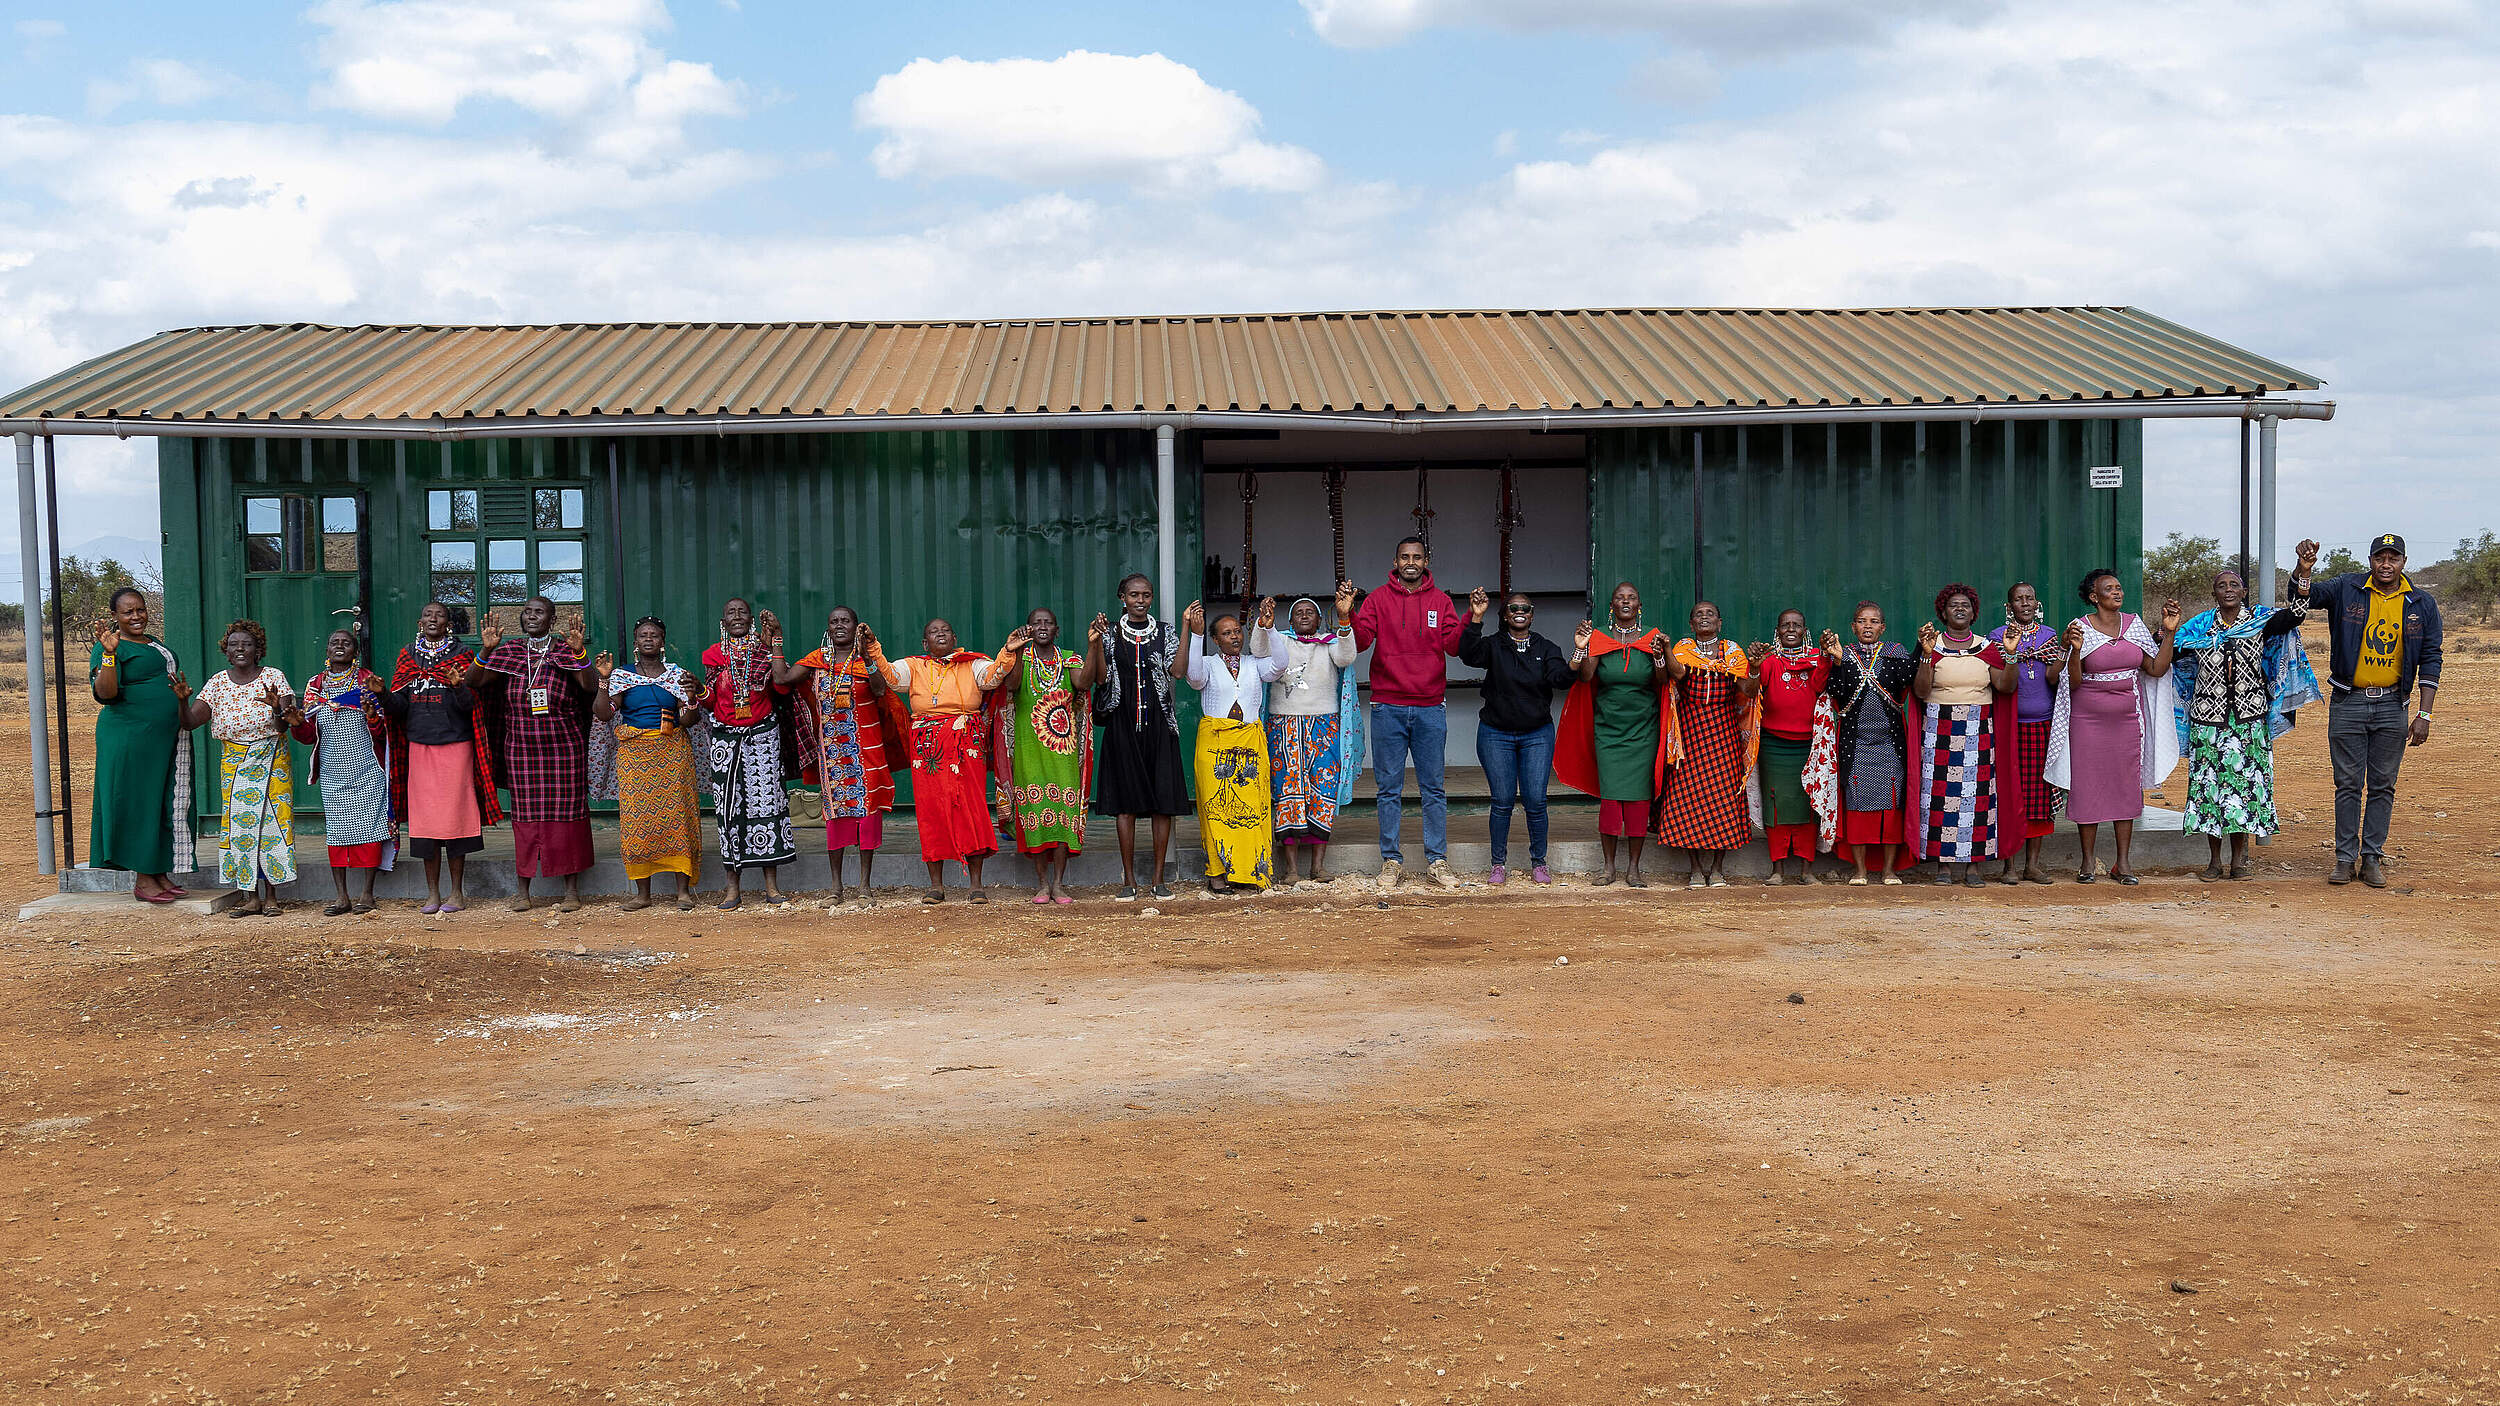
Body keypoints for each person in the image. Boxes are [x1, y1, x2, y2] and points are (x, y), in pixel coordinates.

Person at [2302, 533, 2442, 888]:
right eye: (2380, 557)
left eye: (2393, 558)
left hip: (2394, 705)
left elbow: (2431, 659)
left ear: (2403, 562)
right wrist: (2304, 570)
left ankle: (2372, 857)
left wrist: (2424, 715)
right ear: (2370, 560)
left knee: (2383, 785)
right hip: (2349, 701)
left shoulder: (2420, 603)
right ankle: (2344, 859)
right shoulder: (2347, 588)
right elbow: (2307, 596)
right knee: (2347, 784)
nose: (2386, 564)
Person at [2172, 545, 2320, 881]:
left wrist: (2304, 571)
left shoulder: (2259, 622)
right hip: (2207, 720)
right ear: (2214, 593)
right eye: (2221, 586)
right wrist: (2167, 630)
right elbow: (2169, 647)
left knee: (2244, 789)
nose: (2227, 590)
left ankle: (2238, 860)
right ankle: (2213, 861)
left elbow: (2295, 614)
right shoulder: (2198, 627)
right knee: (2209, 789)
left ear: (2243, 592)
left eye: (2233, 585)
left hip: (2249, 719)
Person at [868, 617, 1021, 903]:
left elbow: (994, 676)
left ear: (954, 638)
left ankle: (976, 886)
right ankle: (936, 886)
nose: (941, 634)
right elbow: (889, 676)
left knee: (971, 807)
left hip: (966, 742)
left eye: (946, 631)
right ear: (925, 643)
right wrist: (873, 648)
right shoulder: (914, 665)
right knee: (931, 810)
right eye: (933, 632)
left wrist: (1008, 650)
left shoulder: (973, 663)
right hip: (928, 747)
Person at [2045, 568, 2182, 885]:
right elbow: (2073, 683)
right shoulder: (2080, 628)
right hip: (2087, 721)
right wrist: (2076, 652)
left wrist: (2168, 632)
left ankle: (2123, 863)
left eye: (2119, 588)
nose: (2118, 593)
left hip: (2128, 720)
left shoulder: (2134, 625)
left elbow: (2156, 669)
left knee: (2125, 787)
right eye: (2110, 589)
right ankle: (2088, 862)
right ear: (2094, 597)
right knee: (2088, 787)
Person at [466, 597, 600, 912]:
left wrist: (580, 652)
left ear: (552, 620)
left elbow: (590, 685)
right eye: (526, 612)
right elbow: (474, 681)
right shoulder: (510, 652)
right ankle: (523, 891)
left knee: (568, 818)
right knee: (525, 818)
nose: (531, 616)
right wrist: (485, 650)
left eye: (538, 612)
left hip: (564, 748)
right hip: (522, 747)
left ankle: (570, 891)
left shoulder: (566, 651)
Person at [1350, 538, 1465, 890]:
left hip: (1430, 705)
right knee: (1388, 789)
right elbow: (1361, 641)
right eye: (1404, 557)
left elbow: (1454, 646)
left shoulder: (1441, 601)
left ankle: (1437, 861)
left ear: (1426, 560)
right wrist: (1346, 615)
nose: (1410, 562)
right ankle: (1391, 861)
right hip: (1388, 706)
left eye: (1416, 557)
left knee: (1433, 788)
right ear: (1395, 561)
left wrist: (1472, 619)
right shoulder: (1378, 600)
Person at [776, 606, 908, 903]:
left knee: (868, 817)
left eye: (845, 621)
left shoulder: (866, 661)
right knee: (835, 818)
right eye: (834, 621)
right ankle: (836, 887)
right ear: (828, 627)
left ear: (856, 626)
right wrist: (777, 641)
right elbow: (782, 679)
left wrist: (869, 655)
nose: (839, 625)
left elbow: (878, 689)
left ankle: (864, 887)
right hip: (832, 755)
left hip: (867, 753)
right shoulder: (817, 660)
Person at [1909, 585, 2027, 888]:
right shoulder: (1930, 646)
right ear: (1943, 612)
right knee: (1939, 798)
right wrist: (1925, 655)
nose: (1959, 609)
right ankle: (1944, 866)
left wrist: (2011, 655)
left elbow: (2006, 687)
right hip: (1939, 728)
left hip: (1978, 728)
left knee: (1977, 799)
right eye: (1953, 605)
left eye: (1966, 605)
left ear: (1974, 613)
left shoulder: (1988, 647)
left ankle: (1974, 866)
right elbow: (1921, 692)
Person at [386, 602, 499, 915]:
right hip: (419, 747)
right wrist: (382, 694)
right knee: (425, 824)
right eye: (427, 614)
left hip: (455, 745)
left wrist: (458, 685)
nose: (432, 619)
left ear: (449, 623)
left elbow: (471, 705)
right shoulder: (408, 655)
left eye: (439, 615)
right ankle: (432, 893)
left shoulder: (462, 655)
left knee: (455, 820)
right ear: (419, 621)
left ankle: (456, 893)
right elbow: (398, 706)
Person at [88, 586, 197, 903]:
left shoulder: (153, 643)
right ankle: (143, 877)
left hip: (163, 738)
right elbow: (106, 694)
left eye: (140, 609)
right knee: (138, 803)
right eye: (127, 612)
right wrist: (109, 654)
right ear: (114, 617)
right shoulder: (109, 647)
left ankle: (158, 871)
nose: (136, 616)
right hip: (130, 738)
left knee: (161, 802)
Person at [183, 619, 299, 917]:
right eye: (234, 644)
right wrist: (182, 701)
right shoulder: (218, 683)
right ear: (226, 649)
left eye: (247, 644)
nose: (240, 649)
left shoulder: (273, 677)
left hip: (271, 757)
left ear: (258, 649)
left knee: (271, 823)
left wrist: (275, 708)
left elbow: (283, 725)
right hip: (234, 762)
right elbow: (191, 721)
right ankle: (250, 897)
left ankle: (272, 896)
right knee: (240, 827)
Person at [1556, 581, 1669, 887]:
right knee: (1610, 801)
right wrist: (1584, 646)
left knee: (1637, 801)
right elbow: (1587, 676)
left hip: (1643, 731)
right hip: (1608, 731)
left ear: (1639, 605)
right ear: (1612, 605)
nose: (1625, 601)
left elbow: (1661, 679)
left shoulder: (1652, 637)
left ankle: (1634, 868)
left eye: (1631, 597)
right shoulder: (1601, 637)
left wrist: (1660, 654)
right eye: (1620, 597)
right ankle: (1608, 868)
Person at [1458, 590, 1573, 885]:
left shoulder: (1547, 647)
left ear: (1532, 614)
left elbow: (1561, 679)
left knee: (1535, 800)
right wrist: (1476, 617)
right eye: (1513, 608)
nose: (1519, 612)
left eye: (1525, 608)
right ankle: (1498, 864)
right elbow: (1468, 655)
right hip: (1496, 733)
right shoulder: (1494, 645)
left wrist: (1578, 655)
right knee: (1502, 800)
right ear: (1506, 615)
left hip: (1537, 734)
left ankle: (1539, 862)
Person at [590, 617, 703, 912]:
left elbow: (688, 721)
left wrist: (690, 699)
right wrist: (603, 681)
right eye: (643, 635)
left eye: (654, 635)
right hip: (635, 758)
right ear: (636, 643)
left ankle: (683, 891)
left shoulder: (677, 675)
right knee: (637, 822)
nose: (648, 639)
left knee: (679, 818)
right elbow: (604, 714)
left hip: (672, 752)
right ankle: (642, 893)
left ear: (663, 642)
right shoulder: (623, 676)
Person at [1088, 574, 1188, 901]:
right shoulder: (1111, 633)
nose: (1140, 600)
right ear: (1122, 597)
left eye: (1146, 594)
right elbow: (1101, 678)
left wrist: (1188, 629)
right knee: (1125, 805)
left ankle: (1159, 880)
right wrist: (1097, 641)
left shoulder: (1166, 632)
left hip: (1159, 724)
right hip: (1122, 723)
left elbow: (1177, 671)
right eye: (1134, 595)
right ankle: (1128, 880)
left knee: (1163, 804)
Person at [1179, 598, 1286, 893]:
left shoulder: (1254, 664)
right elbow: (1194, 677)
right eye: (1226, 633)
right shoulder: (1208, 664)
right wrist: (1197, 634)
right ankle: (1217, 874)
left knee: (1252, 811)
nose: (1235, 636)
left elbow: (1280, 664)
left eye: (1237, 631)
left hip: (1250, 743)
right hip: (1214, 746)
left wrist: (1271, 628)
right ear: (1215, 639)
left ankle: (1249, 873)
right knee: (1216, 810)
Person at [1255, 591, 1362, 884]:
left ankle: (1318, 867)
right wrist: (1264, 625)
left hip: (1323, 726)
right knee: (1287, 792)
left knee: (1321, 792)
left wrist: (1343, 619)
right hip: (1283, 725)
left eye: (1310, 612)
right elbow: (1259, 649)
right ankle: (1291, 870)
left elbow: (1347, 656)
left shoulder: (1330, 643)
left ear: (1319, 620)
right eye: (1298, 612)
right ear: (1289, 620)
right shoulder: (1282, 640)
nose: (1304, 615)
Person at [997, 606, 1098, 904]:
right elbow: (1012, 686)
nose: (1042, 626)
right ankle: (1041, 883)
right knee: (1034, 816)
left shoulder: (1070, 658)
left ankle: (1058, 884)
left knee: (1063, 814)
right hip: (1029, 749)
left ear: (1057, 629)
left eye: (1048, 622)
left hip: (1062, 750)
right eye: (1036, 622)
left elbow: (1083, 683)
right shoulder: (1019, 658)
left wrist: (1093, 645)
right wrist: (1013, 651)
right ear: (1028, 629)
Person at [290, 627, 394, 915]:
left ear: (355, 651)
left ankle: (367, 894)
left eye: (346, 643)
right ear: (326, 650)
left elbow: (382, 728)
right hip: (333, 769)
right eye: (334, 642)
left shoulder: (366, 680)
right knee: (336, 832)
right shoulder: (315, 685)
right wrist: (297, 724)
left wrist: (373, 715)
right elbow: (309, 735)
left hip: (366, 767)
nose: (340, 646)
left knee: (369, 830)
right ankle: (341, 897)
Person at [1656, 601, 1760, 888]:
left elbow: (1747, 690)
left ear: (1720, 621)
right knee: (1688, 797)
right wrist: (1665, 648)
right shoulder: (1682, 648)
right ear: (1691, 624)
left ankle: (1717, 868)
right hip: (1690, 733)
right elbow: (1676, 673)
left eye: (1710, 613)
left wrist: (1753, 667)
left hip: (1723, 733)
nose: (1704, 617)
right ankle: (1694, 867)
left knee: (1724, 798)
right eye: (1698, 614)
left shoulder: (1733, 651)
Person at [1814, 602, 1918, 885]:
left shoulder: (1895, 653)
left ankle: (1888, 871)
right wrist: (1835, 661)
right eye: (1862, 621)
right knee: (1857, 806)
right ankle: (1860, 871)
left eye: (1874, 622)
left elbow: (1911, 676)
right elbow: (1835, 690)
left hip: (1889, 746)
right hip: (1856, 746)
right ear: (1853, 627)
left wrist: (1921, 648)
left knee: (1892, 807)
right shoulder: (1844, 654)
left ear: (1883, 627)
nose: (1868, 626)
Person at [701, 598, 795, 907]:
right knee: (728, 812)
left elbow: (782, 688)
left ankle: (771, 887)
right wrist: (697, 692)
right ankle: (733, 889)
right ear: (723, 620)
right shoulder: (714, 655)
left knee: (767, 808)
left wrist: (776, 642)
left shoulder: (765, 653)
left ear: (751, 619)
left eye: (743, 612)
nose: (737, 616)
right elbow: (712, 700)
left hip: (763, 738)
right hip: (725, 740)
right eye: (731, 612)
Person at [1746, 609, 1833, 886]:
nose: (1791, 629)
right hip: (1774, 746)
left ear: (1805, 630)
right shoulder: (1769, 662)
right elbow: (1750, 691)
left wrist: (1827, 656)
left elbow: (1820, 685)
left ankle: (1808, 870)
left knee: (1809, 805)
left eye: (1796, 625)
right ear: (1778, 630)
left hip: (1810, 745)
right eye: (1785, 625)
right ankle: (1778, 870)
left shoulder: (1817, 660)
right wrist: (1756, 667)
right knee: (1775, 806)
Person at [1988, 582, 2065, 884]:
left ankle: (2033, 864)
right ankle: (2009, 866)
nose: (2025, 603)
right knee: (2010, 795)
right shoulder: (1997, 638)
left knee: (2039, 797)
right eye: (2018, 599)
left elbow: (2054, 678)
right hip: (2008, 725)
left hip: (2042, 725)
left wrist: (2061, 654)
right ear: (2009, 606)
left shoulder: (2050, 638)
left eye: (2029, 598)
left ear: (2037, 603)